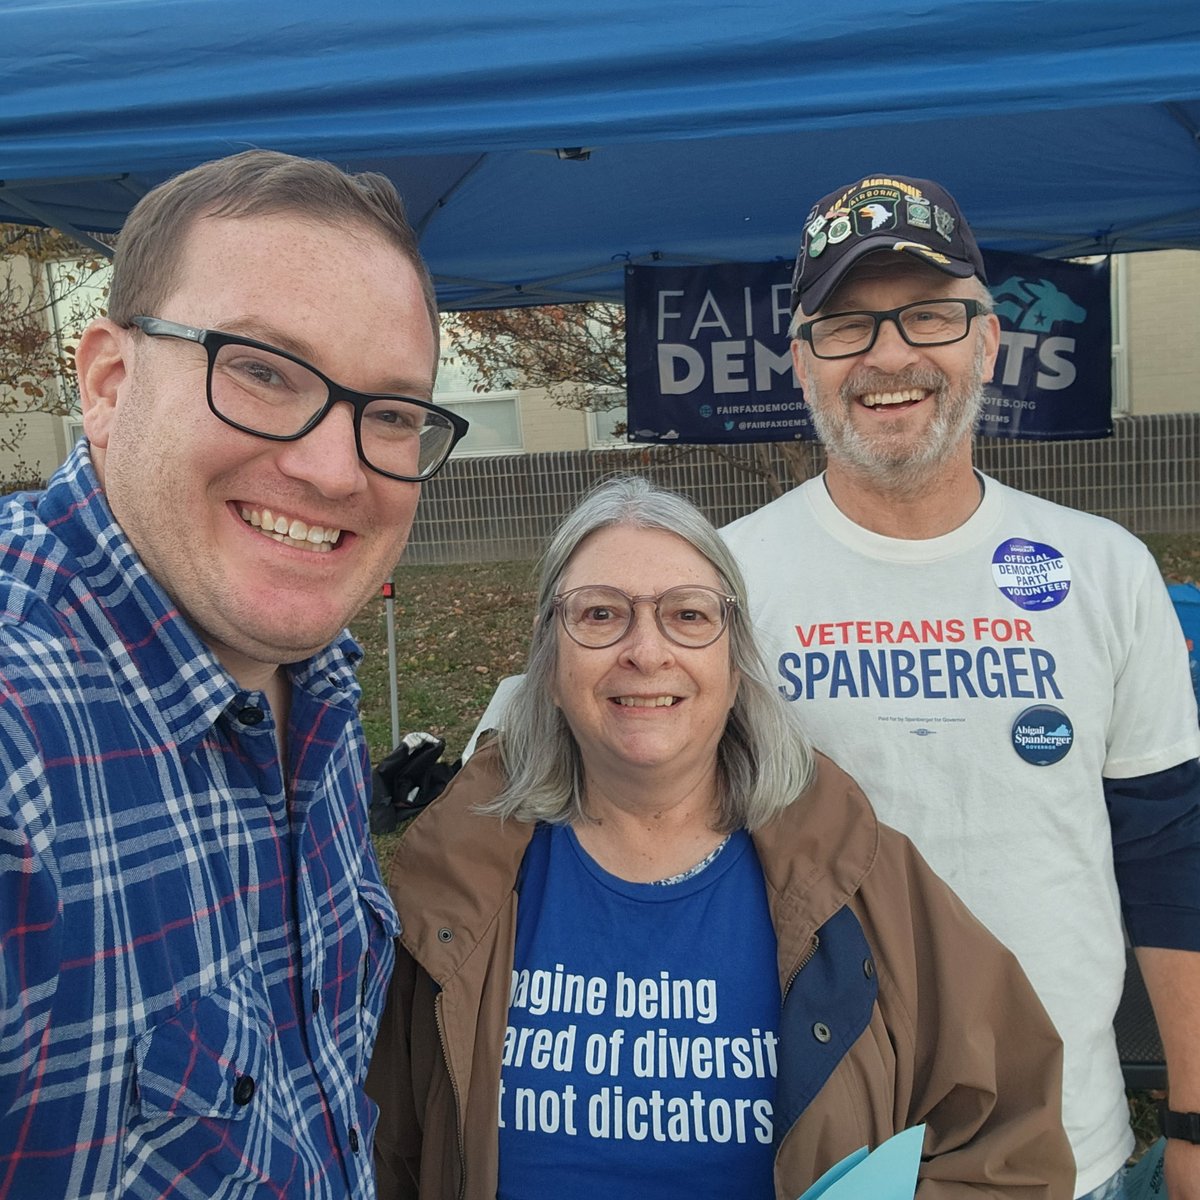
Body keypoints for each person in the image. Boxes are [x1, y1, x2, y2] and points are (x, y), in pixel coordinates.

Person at [366, 476, 1074, 1200]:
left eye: (688, 614)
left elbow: (1009, 1145)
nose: (646, 652)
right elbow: (380, 1151)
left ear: (734, 665)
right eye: (601, 614)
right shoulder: (453, 881)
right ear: (549, 665)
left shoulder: (859, 876)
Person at [722, 174, 1200, 1199]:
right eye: (847, 325)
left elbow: (1173, 869)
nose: (891, 354)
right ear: (800, 362)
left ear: (987, 342)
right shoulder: (714, 587)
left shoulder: (1105, 569)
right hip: (807, 1155)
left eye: (929, 316)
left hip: (1066, 1154)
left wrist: (1198, 1121)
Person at [0, 150, 468, 1197]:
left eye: (391, 412)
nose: (336, 468)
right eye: (261, 370)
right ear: (111, 383)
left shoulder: (312, 686)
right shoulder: (19, 748)